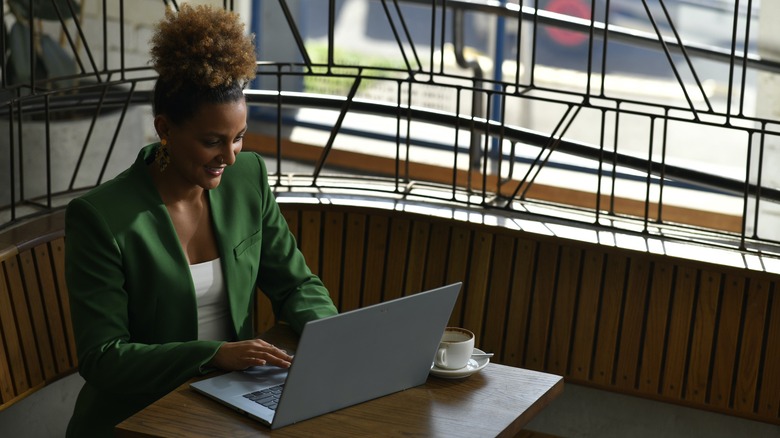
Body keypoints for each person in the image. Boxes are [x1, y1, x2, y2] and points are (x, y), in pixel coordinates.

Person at [64, 4, 338, 436]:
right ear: (165, 129)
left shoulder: (247, 178)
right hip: (138, 418)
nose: (229, 157)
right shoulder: (102, 218)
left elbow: (296, 283)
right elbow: (104, 358)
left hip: (228, 404)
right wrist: (213, 355)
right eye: (212, 141)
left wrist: (332, 339)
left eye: (239, 137)